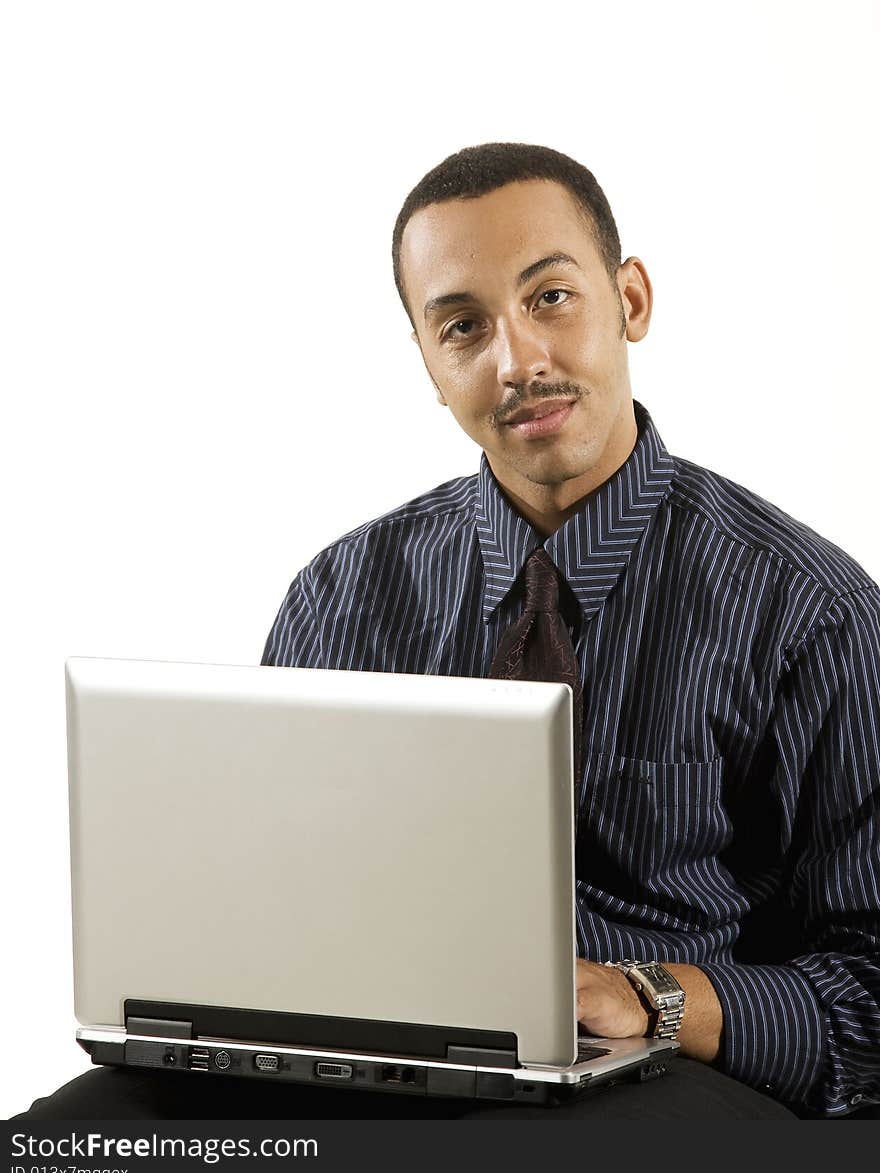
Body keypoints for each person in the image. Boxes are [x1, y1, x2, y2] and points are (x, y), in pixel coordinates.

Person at [17, 143, 879, 1121]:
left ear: (630, 300)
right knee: (58, 1140)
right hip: (373, 1063)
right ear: (429, 363)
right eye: (463, 326)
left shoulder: (811, 609)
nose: (518, 360)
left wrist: (651, 998)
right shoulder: (341, 595)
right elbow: (277, 903)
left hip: (662, 1080)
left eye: (549, 297)